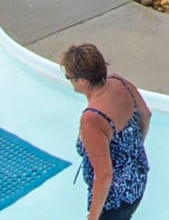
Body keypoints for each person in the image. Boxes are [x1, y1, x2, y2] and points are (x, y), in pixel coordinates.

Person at [62, 43, 151, 219]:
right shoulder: (120, 82)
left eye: (69, 77)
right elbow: (146, 115)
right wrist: (134, 151)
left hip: (115, 200)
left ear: (82, 81)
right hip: (138, 179)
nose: (69, 81)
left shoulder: (92, 119)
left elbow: (104, 175)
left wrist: (93, 217)